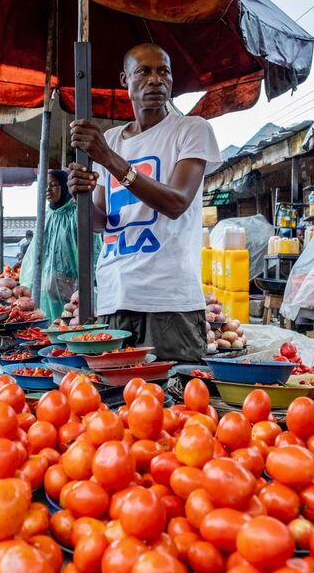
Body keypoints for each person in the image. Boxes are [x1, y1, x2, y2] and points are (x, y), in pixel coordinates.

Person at [66, 43, 222, 362]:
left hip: (168, 301)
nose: (155, 80)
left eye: (163, 71)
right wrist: (78, 195)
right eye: (144, 72)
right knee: (114, 403)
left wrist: (109, 160)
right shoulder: (108, 140)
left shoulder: (191, 130)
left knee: (172, 403)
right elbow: (101, 222)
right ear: (125, 80)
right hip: (114, 298)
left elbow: (177, 203)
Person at [21, 170, 100, 320]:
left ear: (64, 186)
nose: (48, 190)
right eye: (45, 186)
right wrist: (28, 283)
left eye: (53, 185)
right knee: (50, 326)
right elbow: (33, 256)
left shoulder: (78, 213)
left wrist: (93, 284)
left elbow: (94, 249)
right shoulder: (46, 217)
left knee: (73, 324)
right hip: (48, 290)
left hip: (75, 289)